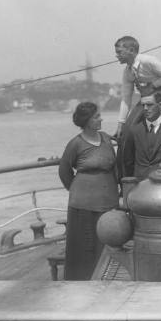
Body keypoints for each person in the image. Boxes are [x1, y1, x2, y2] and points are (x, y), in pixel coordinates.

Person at [59, 102, 118, 280]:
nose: (101, 119)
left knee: (107, 241)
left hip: (108, 200)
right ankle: (82, 280)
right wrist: (79, 190)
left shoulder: (106, 138)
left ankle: (105, 278)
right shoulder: (75, 144)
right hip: (83, 204)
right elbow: (64, 171)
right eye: (97, 116)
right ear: (87, 121)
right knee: (85, 244)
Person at [114, 35, 161, 140]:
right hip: (155, 100)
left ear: (131, 50)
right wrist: (121, 124)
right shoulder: (127, 72)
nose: (116, 56)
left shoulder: (147, 61)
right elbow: (126, 99)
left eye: (119, 52)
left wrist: (151, 87)